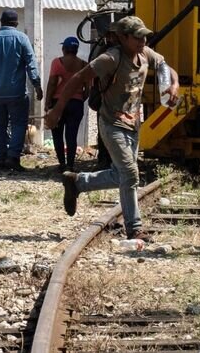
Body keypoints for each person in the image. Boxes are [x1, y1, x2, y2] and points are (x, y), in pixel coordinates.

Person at [46, 16, 178, 241]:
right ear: (123, 38)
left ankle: (77, 182)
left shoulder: (146, 55)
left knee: (120, 174)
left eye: (144, 36)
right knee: (130, 173)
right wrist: (57, 109)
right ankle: (134, 228)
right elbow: (78, 78)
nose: (142, 41)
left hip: (133, 124)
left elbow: (166, 68)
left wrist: (173, 85)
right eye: (137, 37)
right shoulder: (110, 58)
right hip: (111, 123)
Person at [0, 9, 43, 171]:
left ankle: (0, 159)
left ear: (1, 22)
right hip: (17, 93)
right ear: (16, 23)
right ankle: (13, 158)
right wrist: (37, 85)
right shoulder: (21, 38)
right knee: (19, 124)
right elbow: (31, 64)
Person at [46, 36, 87, 172]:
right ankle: (70, 165)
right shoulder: (83, 65)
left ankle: (61, 164)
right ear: (76, 50)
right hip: (76, 104)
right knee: (71, 135)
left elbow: (52, 83)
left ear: (64, 49)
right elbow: (88, 88)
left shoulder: (57, 63)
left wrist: (48, 103)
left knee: (57, 134)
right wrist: (80, 98)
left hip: (58, 103)